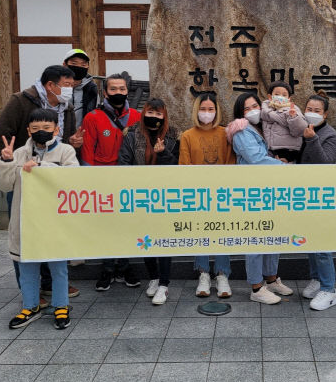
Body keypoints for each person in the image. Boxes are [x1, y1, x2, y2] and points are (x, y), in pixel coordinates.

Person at [0, 65, 79, 300]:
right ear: (51, 85)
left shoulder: (66, 107)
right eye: (67, 85)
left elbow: (68, 153)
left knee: (53, 233)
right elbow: (3, 133)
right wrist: (9, 158)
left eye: (72, 86)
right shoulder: (21, 101)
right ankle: (28, 289)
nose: (70, 90)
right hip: (23, 178)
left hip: (54, 185)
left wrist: (69, 143)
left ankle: (51, 285)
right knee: (24, 234)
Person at [225, 92, 292, 304]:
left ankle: (271, 278)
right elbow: (255, 159)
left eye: (255, 105)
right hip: (251, 191)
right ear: (239, 112)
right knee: (255, 238)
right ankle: (256, 287)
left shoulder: (261, 126)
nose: (253, 110)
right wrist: (282, 166)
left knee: (273, 234)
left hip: (268, 189)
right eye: (247, 108)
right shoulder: (241, 129)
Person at [82, 73, 141, 290]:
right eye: (113, 89)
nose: (118, 93)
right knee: (106, 226)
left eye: (122, 89)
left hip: (129, 179)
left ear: (127, 91)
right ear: (105, 92)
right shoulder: (92, 117)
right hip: (103, 179)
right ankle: (107, 268)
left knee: (126, 225)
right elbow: (87, 152)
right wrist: (90, 181)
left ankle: (125, 266)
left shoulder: (136, 116)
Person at [118, 98, 179, 305]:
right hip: (141, 196)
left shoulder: (173, 136)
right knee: (146, 239)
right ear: (144, 113)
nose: (154, 118)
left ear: (165, 116)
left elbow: (177, 168)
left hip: (165, 197)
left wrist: (163, 154)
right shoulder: (131, 134)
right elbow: (123, 163)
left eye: (158, 114)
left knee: (163, 240)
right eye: (150, 113)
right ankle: (153, 277)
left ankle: (164, 284)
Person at [179, 93, 236, 298]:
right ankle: (203, 273)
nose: (207, 113)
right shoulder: (187, 135)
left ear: (217, 111)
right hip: (197, 194)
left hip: (222, 193)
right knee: (201, 232)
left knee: (222, 232)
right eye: (203, 109)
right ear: (197, 111)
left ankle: (222, 275)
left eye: (211, 109)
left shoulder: (226, 134)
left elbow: (231, 163)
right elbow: (184, 166)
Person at [298, 92, 336, 311]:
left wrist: (311, 139)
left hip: (321, 196)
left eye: (317, 111)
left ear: (325, 114)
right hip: (303, 195)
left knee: (322, 244)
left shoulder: (330, 135)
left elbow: (326, 162)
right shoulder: (302, 130)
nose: (312, 114)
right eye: (309, 110)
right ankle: (317, 279)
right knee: (311, 241)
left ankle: (329, 289)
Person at [260, 80, 308, 163]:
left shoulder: (293, 110)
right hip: (270, 151)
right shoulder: (264, 110)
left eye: (284, 95)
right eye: (277, 94)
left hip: (289, 152)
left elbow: (300, 130)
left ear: (289, 98)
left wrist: (293, 117)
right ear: (270, 96)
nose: (280, 97)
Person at [63, 48, 98, 143]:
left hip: (82, 139)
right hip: (58, 138)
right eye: (74, 64)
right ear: (64, 65)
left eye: (83, 64)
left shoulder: (92, 89)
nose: (79, 67)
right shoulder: (56, 87)